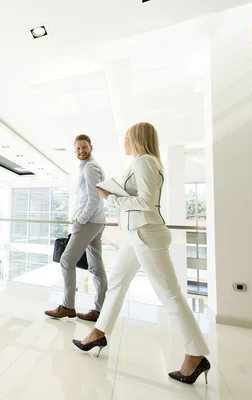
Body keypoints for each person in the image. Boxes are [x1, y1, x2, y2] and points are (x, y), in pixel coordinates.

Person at [72, 122, 211, 385]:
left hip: (146, 235)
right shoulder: (144, 162)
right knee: (116, 284)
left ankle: (195, 354)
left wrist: (110, 198)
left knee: (171, 295)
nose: (124, 141)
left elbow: (147, 201)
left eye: (126, 137)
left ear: (136, 138)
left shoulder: (144, 161)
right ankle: (98, 332)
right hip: (136, 235)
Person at [45, 134, 107, 321]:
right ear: (75, 150)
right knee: (96, 266)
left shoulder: (90, 168)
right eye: (78, 148)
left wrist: (80, 220)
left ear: (91, 147)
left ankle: (67, 306)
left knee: (66, 261)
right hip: (95, 221)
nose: (81, 151)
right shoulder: (87, 167)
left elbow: (94, 198)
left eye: (84, 147)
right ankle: (100, 310)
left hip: (88, 222)